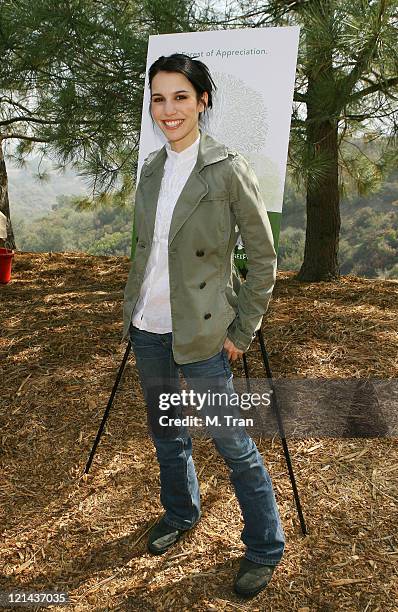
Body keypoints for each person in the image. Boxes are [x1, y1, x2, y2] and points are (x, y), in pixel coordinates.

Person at [122, 53, 285, 598]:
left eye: (181, 97)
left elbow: (263, 258)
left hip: (204, 333)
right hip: (150, 327)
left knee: (232, 443)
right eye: (159, 98)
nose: (168, 110)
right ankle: (180, 513)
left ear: (203, 100)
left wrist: (242, 331)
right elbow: (145, 250)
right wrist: (132, 310)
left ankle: (264, 546)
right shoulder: (151, 169)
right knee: (168, 435)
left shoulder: (226, 167)